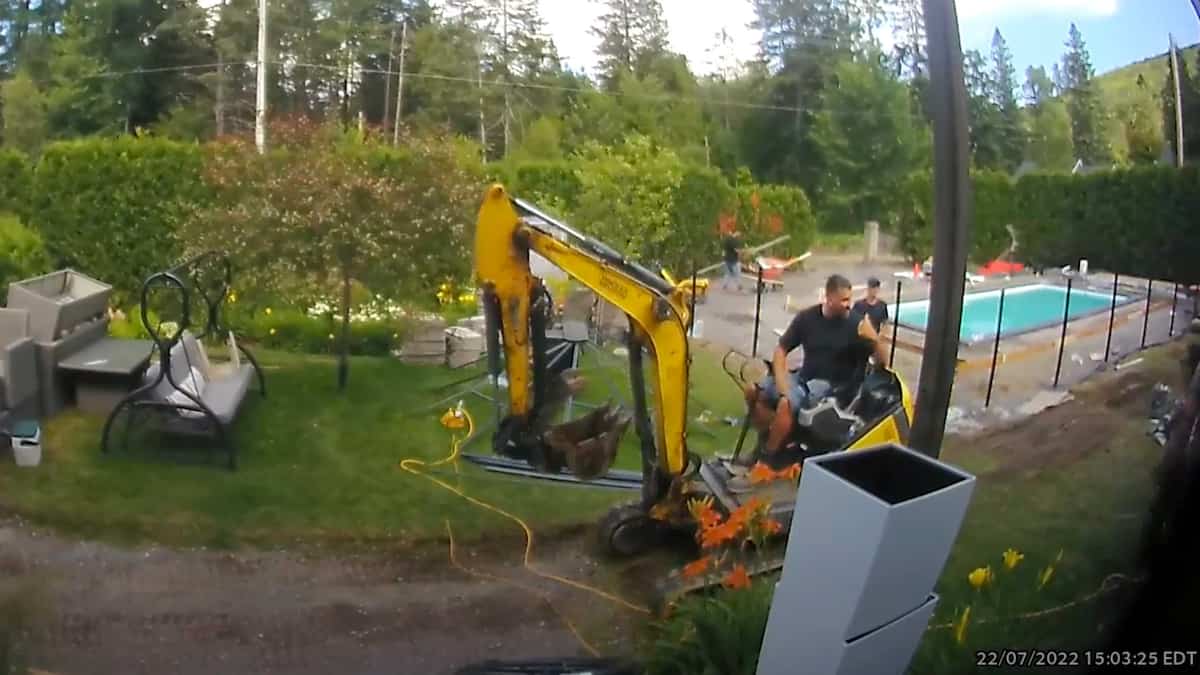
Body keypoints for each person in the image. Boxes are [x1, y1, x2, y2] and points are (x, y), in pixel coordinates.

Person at [747, 274, 889, 458]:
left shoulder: (856, 324)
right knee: (752, 391)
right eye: (844, 300)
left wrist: (874, 339)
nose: (848, 304)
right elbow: (781, 350)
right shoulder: (807, 318)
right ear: (829, 298)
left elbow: (882, 363)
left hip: (832, 387)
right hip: (803, 378)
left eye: (850, 299)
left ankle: (765, 458)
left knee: (785, 404)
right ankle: (772, 439)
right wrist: (782, 381)